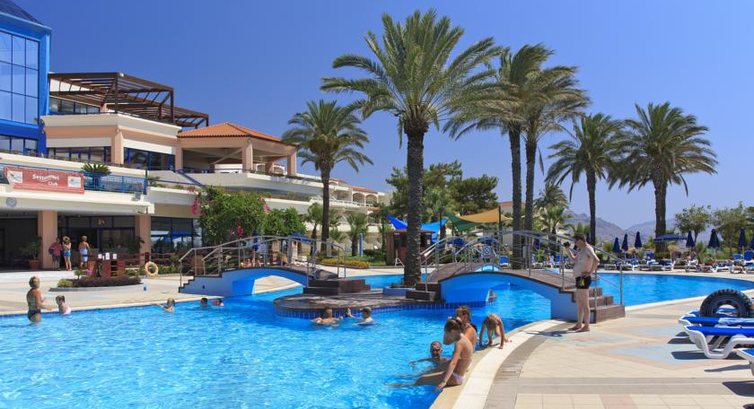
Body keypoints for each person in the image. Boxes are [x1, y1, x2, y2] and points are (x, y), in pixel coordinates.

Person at [416, 318, 473, 391]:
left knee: (421, 379)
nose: (446, 335)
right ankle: (414, 376)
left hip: (456, 377)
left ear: (452, 331)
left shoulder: (459, 343)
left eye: (446, 333)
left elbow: (453, 363)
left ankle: (406, 385)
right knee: (437, 368)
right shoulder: (462, 336)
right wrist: (449, 324)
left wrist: (444, 381)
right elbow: (445, 342)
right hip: (459, 373)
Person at [563, 233, 599, 332]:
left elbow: (596, 260)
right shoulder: (581, 250)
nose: (575, 243)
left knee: (584, 303)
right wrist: (567, 249)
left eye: (575, 241)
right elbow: (574, 260)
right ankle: (579, 324)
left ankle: (586, 326)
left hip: (584, 278)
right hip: (579, 279)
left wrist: (590, 272)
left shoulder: (588, 249)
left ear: (580, 240)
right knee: (579, 302)